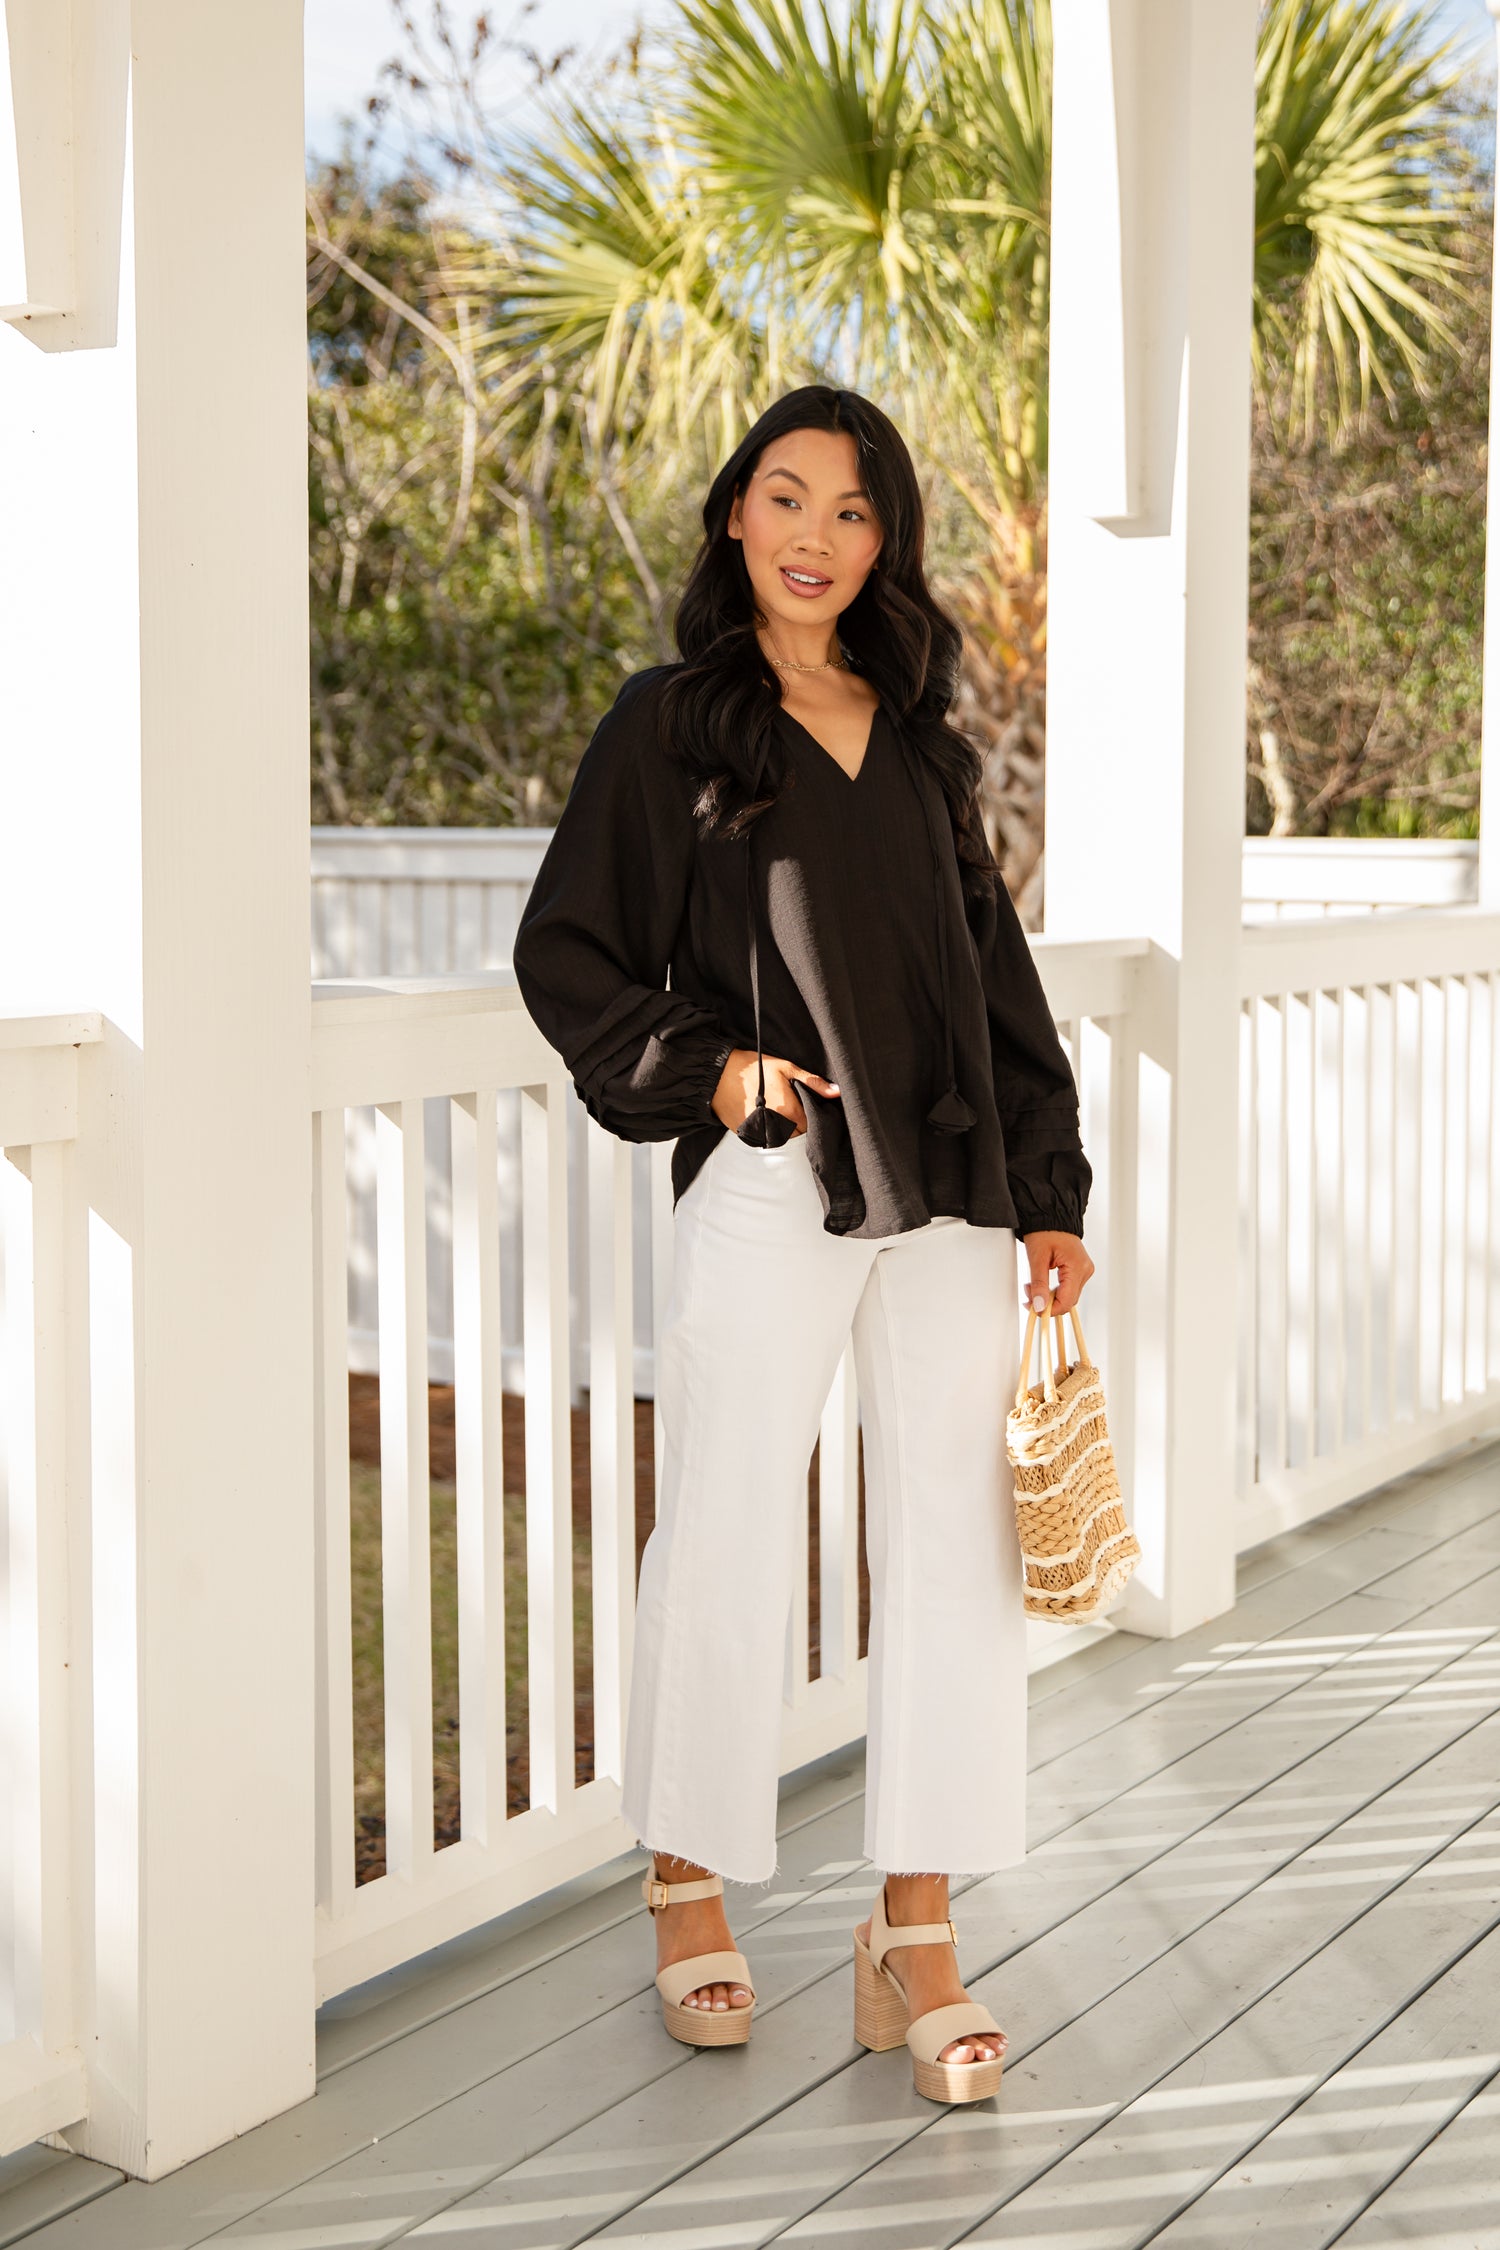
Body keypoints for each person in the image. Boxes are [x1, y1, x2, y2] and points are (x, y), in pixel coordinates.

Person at [511, 385, 1095, 2106]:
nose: (816, 536)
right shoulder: (671, 723)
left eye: (852, 509)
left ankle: (914, 1927)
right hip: (775, 1176)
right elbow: (568, 951)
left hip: (952, 1189)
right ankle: (686, 1877)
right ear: (734, 513)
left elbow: (995, 980)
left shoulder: (919, 741)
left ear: (884, 539)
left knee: (956, 1544)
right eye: (787, 496)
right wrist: (716, 1072)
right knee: (728, 1519)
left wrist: (1050, 1190)